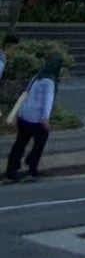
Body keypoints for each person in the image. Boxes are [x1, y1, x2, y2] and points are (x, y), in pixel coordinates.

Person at [4, 54, 61, 182]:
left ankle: (12, 169)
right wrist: (45, 119)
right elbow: (48, 101)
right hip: (36, 118)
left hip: (24, 115)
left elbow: (26, 94)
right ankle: (32, 166)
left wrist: (17, 113)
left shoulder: (37, 76)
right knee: (40, 141)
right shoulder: (50, 81)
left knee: (20, 142)